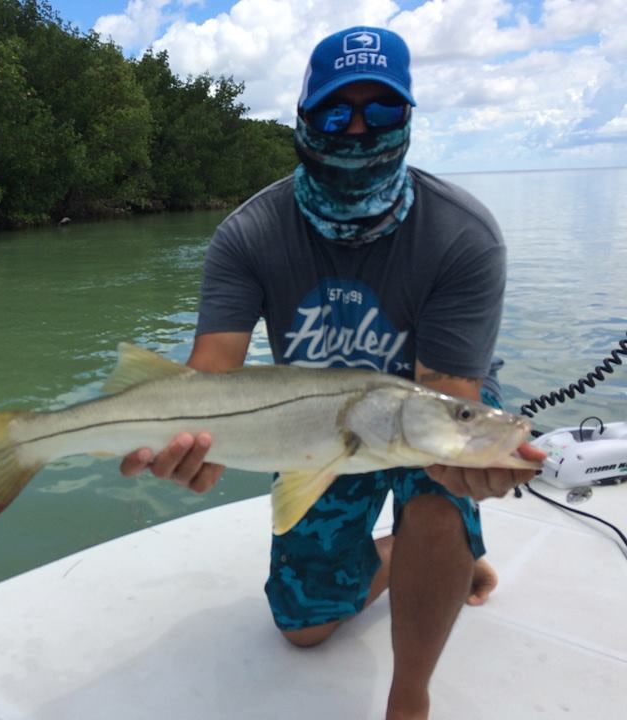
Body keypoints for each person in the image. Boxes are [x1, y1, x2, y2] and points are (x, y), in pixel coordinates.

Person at [120, 25, 546, 720]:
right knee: (303, 629)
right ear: (302, 117)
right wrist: (184, 444)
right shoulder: (249, 233)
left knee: (439, 489)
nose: (356, 130)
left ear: (407, 119)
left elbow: (452, 400)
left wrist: (468, 464)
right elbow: (211, 376)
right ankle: (422, 560)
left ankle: (411, 691)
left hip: (424, 397)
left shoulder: (462, 235)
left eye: (380, 112)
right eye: (334, 112)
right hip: (312, 427)